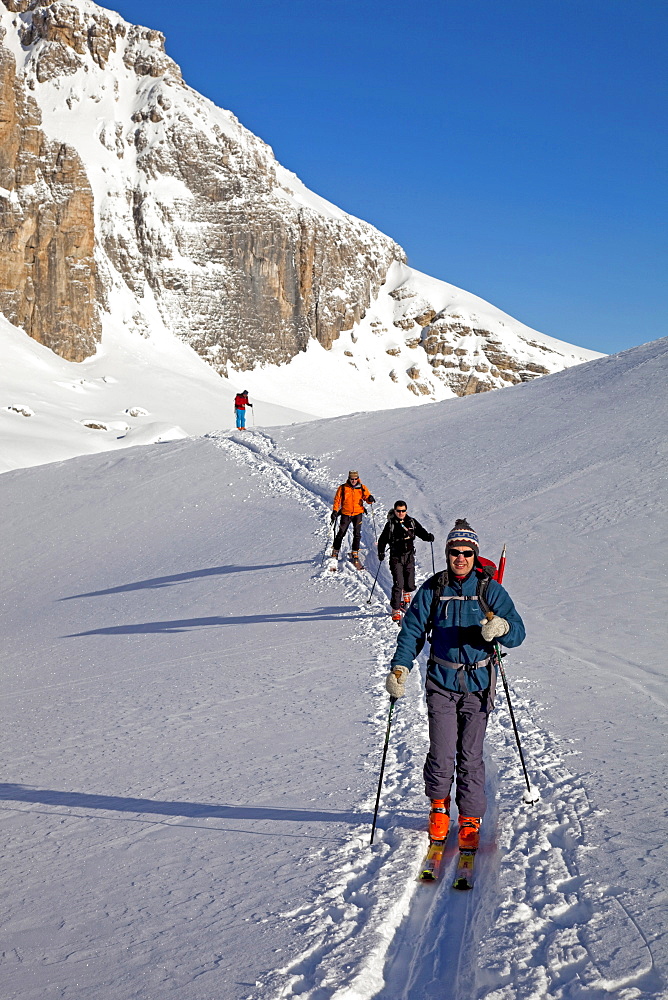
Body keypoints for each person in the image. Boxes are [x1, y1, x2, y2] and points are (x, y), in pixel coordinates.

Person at [385, 518, 525, 849]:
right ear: (447, 554)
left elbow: (518, 633)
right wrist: (400, 669)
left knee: (470, 754)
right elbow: (412, 631)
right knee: (442, 750)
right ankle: (438, 808)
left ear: (475, 555)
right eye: (454, 552)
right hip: (442, 683)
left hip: (478, 683)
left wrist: (502, 627)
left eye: (466, 552)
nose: (460, 558)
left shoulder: (490, 590)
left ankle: (470, 819)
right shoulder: (434, 588)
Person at [377, 501, 434, 622]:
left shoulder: (411, 522)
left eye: (403, 511)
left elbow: (420, 531)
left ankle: (406, 593)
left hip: (409, 557)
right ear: (395, 511)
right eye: (398, 511)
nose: (401, 513)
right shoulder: (391, 524)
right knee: (398, 584)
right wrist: (381, 552)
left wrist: (428, 537)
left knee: (410, 583)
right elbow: (382, 540)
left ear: (406, 511)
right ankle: (396, 609)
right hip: (396, 558)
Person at [330, 471, 376, 568]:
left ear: (358, 478)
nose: (354, 481)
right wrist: (335, 511)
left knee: (357, 534)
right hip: (345, 514)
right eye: (352, 479)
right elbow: (337, 500)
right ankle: (335, 551)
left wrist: (370, 499)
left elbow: (367, 498)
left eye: (355, 479)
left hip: (358, 514)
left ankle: (355, 552)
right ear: (349, 479)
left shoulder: (362, 488)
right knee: (341, 532)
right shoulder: (342, 488)